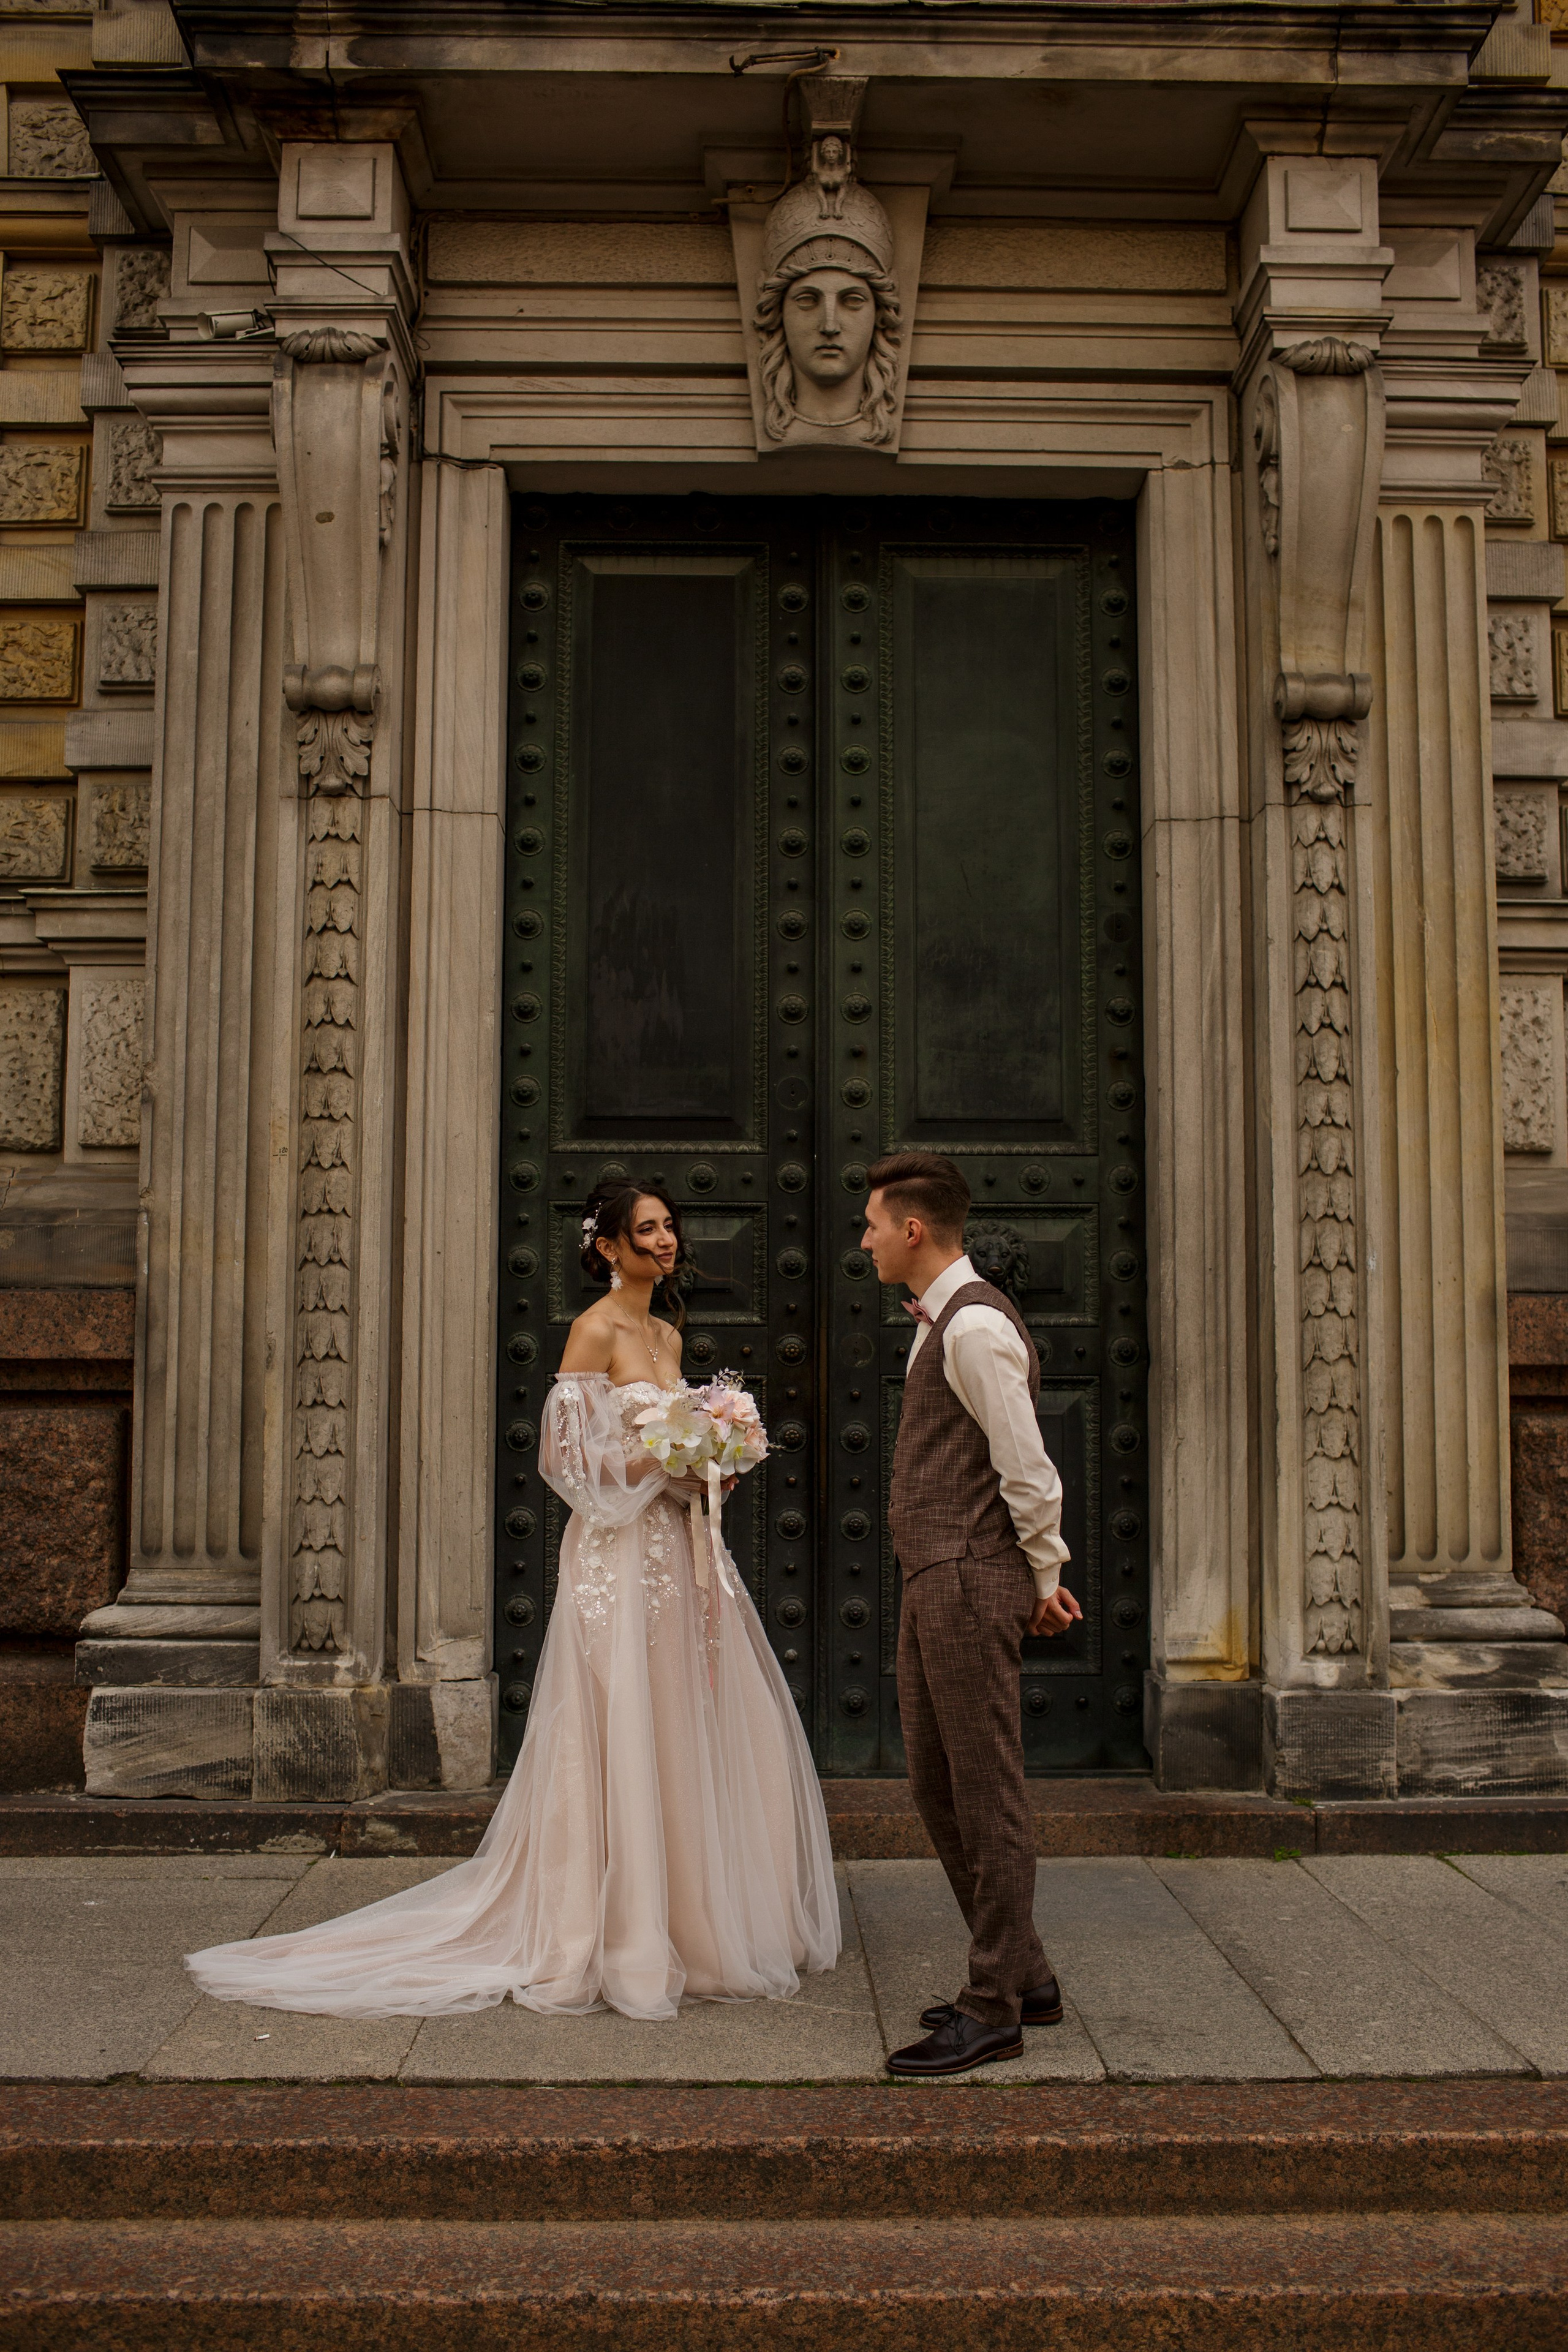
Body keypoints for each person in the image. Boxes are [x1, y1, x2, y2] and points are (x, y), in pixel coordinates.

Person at [185, 1180, 839, 2021]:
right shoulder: (594, 1330)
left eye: (670, 1227)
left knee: (679, 1715)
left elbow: (660, 1457)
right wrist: (663, 1460)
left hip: (679, 1552)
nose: (665, 1242)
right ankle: (608, 1928)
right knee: (619, 1721)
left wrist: (709, 1462)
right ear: (606, 1246)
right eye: (646, 1231)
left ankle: (690, 1922)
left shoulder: (670, 1334)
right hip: (615, 1556)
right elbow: (570, 1464)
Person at [862, 1151, 1081, 2078]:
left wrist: (1044, 1573)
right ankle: (1026, 1975)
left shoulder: (975, 1327)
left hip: (965, 1577)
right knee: (936, 1784)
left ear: (914, 1231)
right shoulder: (940, 1319)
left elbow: (1026, 1466)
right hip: (935, 1575)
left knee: (986, 1793)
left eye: (872, 1225)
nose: (864, 1241)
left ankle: (992, 2007)